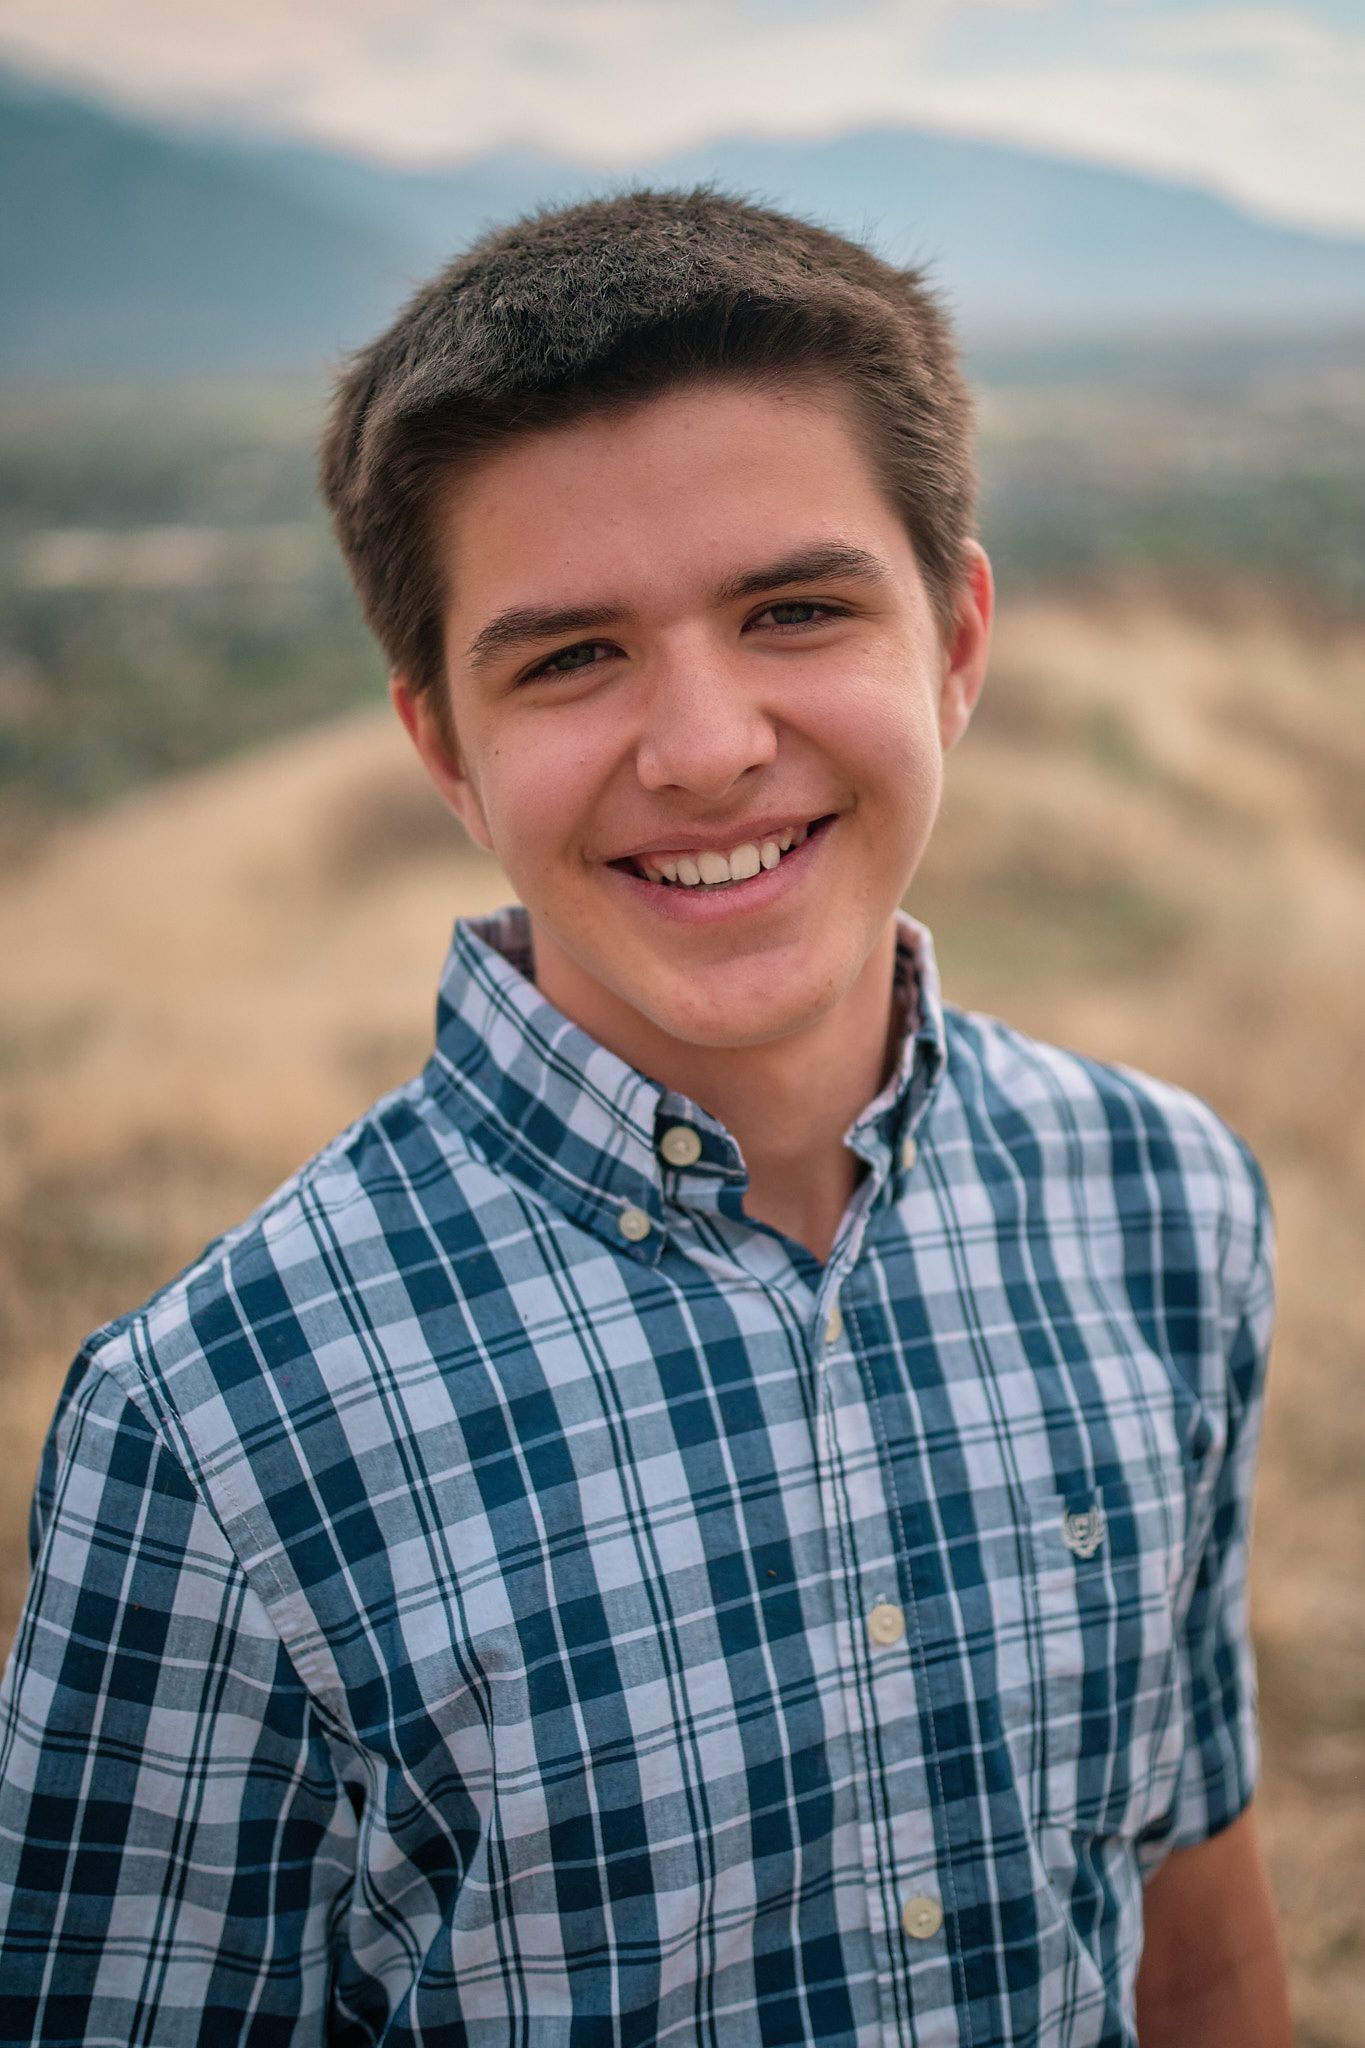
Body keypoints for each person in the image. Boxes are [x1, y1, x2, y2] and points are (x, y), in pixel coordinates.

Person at [0, 188, 1291, 2047]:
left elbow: (1195, 1922)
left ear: (955, 639)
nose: (701, 746)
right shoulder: (217, 1430)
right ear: (442, 742)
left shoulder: (1165, 1204)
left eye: (793, 609)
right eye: (571, 656)